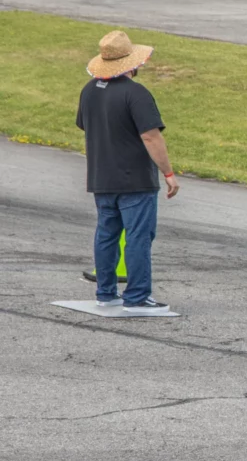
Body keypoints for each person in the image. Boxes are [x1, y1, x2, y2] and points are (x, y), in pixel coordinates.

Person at [76, 31, 179, 313]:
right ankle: (137, 296)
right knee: (138, 236)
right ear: (132, 63)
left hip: (101, 176)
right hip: (135, 179)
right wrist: (168, 173)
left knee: (106, 234)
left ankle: (105, 292)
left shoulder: (89, 90)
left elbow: (85, 125)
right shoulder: (136, 94)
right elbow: (151, 137)